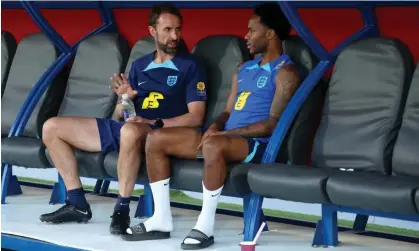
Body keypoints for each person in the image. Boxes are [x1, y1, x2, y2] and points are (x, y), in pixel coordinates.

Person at [120, 2, 302, 250]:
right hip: (226, 138)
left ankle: (204, 226)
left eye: (251, 30)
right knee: (156, 138)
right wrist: (214, 128)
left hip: (257, 144)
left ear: (270, 33)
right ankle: (161, 219)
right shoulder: (243, 68)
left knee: (214, 144)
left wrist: (224, 134)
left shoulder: (285, 72)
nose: (246, 36)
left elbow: (272, 124)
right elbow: (227, 111)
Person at [39, 3, 207, 236]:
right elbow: (123, 114)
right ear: (152, 31)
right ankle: (76, 201)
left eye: (178, 29)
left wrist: (153, 123)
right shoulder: (140, 65)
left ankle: (121, 210)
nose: (174, 36)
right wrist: (126, 98)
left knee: (130, 130)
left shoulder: (191, 66)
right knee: (52, 127)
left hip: (160, 133)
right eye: (168, 30)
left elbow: (196, 117)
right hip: (131, 126)